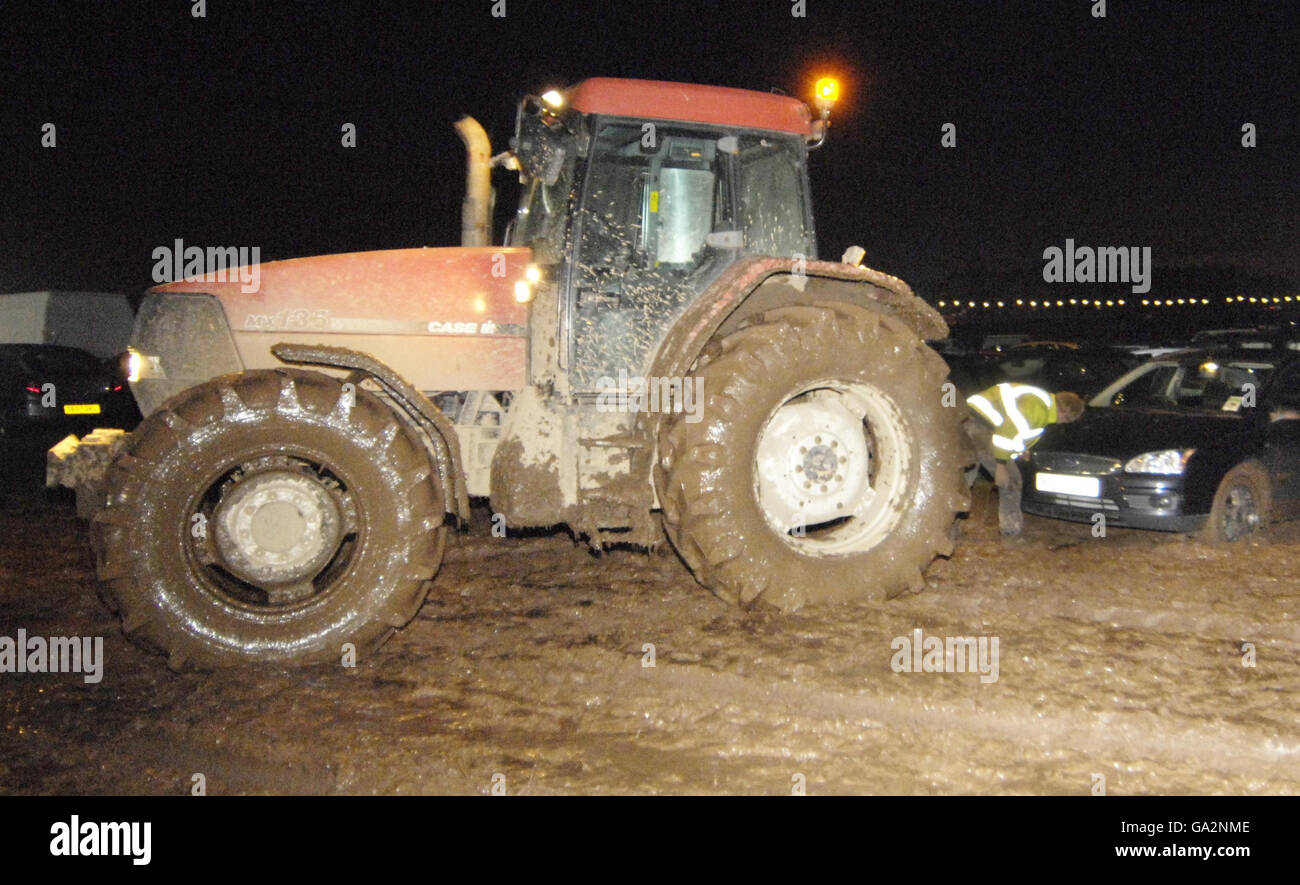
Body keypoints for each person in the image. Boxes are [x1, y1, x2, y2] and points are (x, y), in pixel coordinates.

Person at [965, 383, 1086, 537]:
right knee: (1012, 481)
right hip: (980, 426)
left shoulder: (1041, 404)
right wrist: (1001, 466)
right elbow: (1005, 433)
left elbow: (1018, 432)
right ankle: (1011, 532)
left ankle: (947, 526)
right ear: (1064, 412)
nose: (1061, 423)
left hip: (970, 421)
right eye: (1066, 420)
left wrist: (1020, 450)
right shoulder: (1038, 411)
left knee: (964, 476)